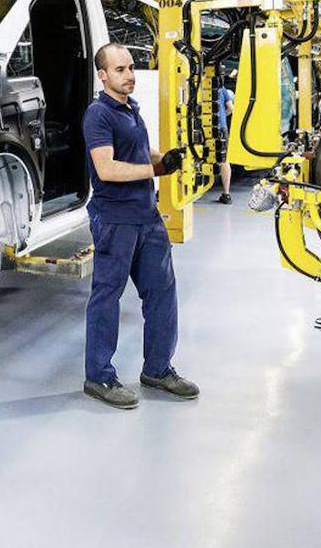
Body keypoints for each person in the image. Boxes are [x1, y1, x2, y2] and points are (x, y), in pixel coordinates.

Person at [80, 42, 200, 410]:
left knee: (162, 292)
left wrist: (166, 158)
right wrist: (157, 170)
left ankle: (158, 369)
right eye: (120, 70)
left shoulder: (131, 108)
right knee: (107, 296)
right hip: (115, 219)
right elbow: (107, 168)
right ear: (103, 75)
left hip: (147, 216)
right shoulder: (98, 114)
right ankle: (98, 377)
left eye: (131, 67)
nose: (129, 75)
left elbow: (137, 153)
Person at [216, 82, 234, 204]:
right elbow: (231, 108)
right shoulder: (222, 90)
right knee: (224, 159)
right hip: (221, 128)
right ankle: (226, 194)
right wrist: (222, 117)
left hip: (200, 129)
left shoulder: (196, 84)